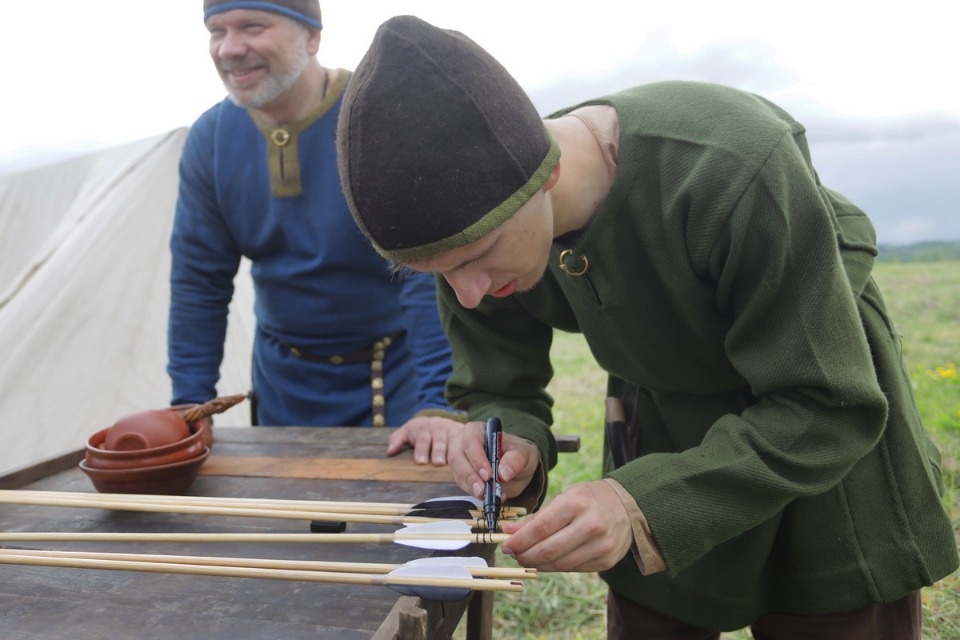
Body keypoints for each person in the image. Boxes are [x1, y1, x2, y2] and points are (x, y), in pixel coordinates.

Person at [335, 15, 959, 639]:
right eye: (435, 274)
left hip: (817, 441)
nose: (465, 295)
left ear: (546, 175)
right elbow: (499, 384)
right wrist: (511, 441)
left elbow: (830, 405)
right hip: (661, 426)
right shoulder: (477, 228)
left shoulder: (729, 167)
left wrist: (641, 504)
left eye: (474, 260)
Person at [168, 2, 464, 464]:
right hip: (281, 385)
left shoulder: (378, 116)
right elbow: (198, 282)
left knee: (395, 531)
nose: (229, 48)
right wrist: (188, 403)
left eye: (252, 26)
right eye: (216, 31)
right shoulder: (210, 140)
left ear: (312, 37)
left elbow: (424, 275)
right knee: (285, 532)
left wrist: (439, 402)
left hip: (399, 380)